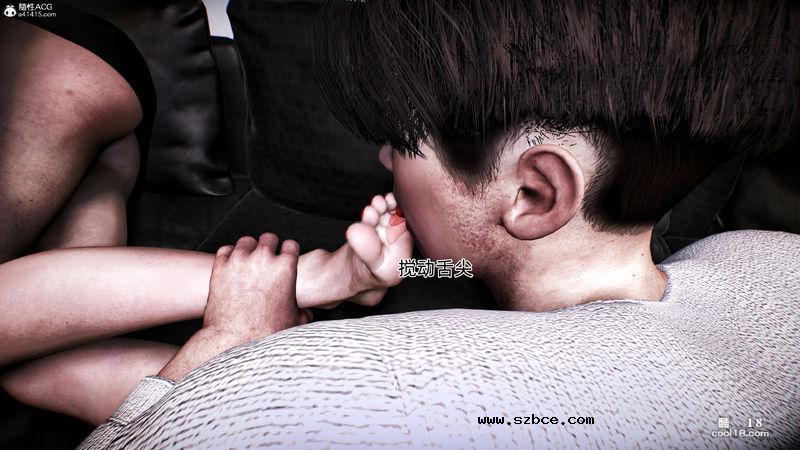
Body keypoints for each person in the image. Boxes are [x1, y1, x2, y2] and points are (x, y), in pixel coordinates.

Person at [2, 0, 800, 447]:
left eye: (402, 141)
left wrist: (229, 344)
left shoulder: (303, 394)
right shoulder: (769, 263)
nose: (385, 156)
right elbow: (477, 266)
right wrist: (353, 276)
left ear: (534, 192)